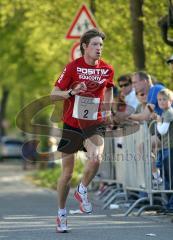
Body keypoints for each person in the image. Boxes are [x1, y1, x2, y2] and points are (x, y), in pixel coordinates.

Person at [50, 28, 114, 233]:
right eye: (95, 44)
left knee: (96, 158)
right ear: (85, 46)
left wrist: (108, 111)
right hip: (71, 124)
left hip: (93, 124)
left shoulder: (107, 69)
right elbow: (53, 94)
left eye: (101, 45)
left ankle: (83, 189)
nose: (99, 48)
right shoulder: (72, 68)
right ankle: (61, 214)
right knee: (67, 174)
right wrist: (71, 91)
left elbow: (110, 89)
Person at [155, 88, 173, 211]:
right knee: (166, 177)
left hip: (170, 149)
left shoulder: (168, 113)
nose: (161, 102)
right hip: (165, 148)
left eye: (164, 99)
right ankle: (168, 204)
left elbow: (162, 130)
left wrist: (158, 122)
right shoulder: (164, 112)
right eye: (159, 100)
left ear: (170, 100)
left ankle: (170, 205)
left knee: (170, 178)